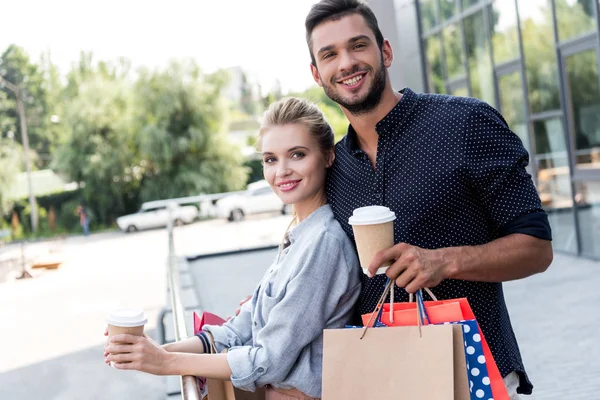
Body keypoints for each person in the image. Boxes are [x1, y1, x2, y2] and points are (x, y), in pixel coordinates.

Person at [303, 0, 553, 398]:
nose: (346, 62)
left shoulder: (467, 123)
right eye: (329, 54)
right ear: (318, 74)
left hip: (474, 374)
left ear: (385, 51)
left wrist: (443, 261)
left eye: (358, 46)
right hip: (382, 382)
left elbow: (537, 248)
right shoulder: (332, 169)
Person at [104, 97, 362, 399]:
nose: (282, 171)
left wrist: (164, 362)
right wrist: (149, 351)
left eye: (297, 154)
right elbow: (236, 331)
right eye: (270, 159)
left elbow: (268, 362)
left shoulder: (324, 244)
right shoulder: (299, 234)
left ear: (328, 156)